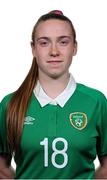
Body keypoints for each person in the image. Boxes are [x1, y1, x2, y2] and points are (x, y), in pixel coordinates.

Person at [0, 10, 107, 179]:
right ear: (33, 49)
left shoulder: (97, 102)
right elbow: (1, 168)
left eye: (63, 42)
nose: (54, 51)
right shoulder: (10, 103)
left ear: (75, 47)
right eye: (44, 43)